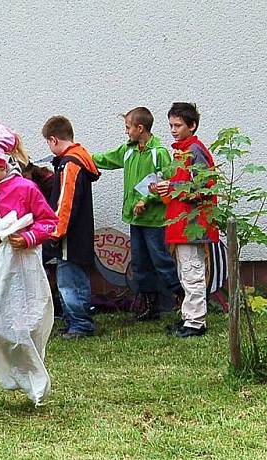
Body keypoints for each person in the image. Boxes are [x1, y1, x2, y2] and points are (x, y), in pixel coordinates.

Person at [0, 121, 59, 405]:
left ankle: (34, 376)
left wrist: (29, 237)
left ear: (1, 162)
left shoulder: (25, 189)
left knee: (26, 323)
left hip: (24, 267)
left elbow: (49, 222)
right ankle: (11, 371)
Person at [93, 107, 183, 322]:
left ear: (140, 128)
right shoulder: (129, 150)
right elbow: (106, 158)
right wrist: (80, 156)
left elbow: (166, 181)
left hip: (154, 219)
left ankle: (181, 297)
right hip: (135, 218)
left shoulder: (158, 152)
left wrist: (147, 199)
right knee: (140, 263)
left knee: (160, 259)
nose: (126, 132)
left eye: (128, 127)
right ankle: (150, 306)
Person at [153, 102, 219, 337]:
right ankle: (188, 317)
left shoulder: (195, 151)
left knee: (193, 273)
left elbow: (203, 187)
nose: (173, 129)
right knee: (186, 273)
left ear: (192, 125)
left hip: (193, 225)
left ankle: (196, 322)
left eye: (178, 125)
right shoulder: (181, 151)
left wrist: (171, 186)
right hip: (183, 225)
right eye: (171, 124)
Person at [42, 116, 101, 339]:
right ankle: (72, 321)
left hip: (70, 236)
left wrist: (55, 233)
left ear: (54, 140)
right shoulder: (77, 161)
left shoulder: (70, 165)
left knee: (71, 282)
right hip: (77, 234)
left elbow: (65, 203)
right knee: (72, 279)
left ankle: (80, 324)